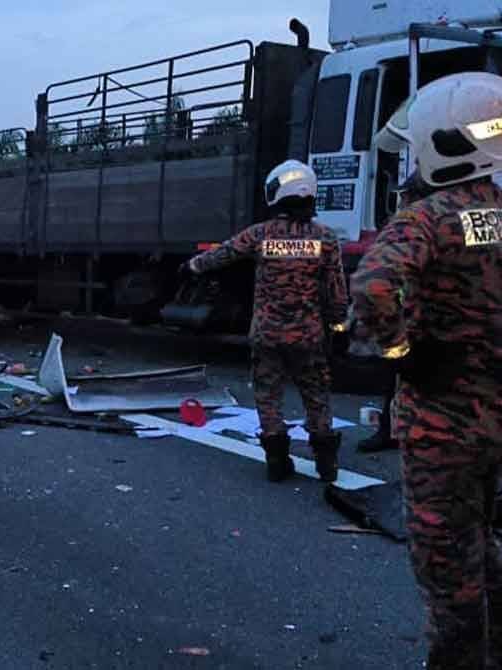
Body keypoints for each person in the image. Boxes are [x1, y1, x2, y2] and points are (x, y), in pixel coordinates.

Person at [351, 73, 502, 670]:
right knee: (484, 540)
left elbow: (375, 286)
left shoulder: (430, 217)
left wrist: (402, 354)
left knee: (445, 556)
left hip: (445, 422)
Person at [183, 160, 349, 482]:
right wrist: (339, 328)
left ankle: (276, 461)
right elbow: (337, 292)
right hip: (309, 337)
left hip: (267, 335)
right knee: (316, 396)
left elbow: (223, 254)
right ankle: (326, 463)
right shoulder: (326, 238)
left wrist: (192, 267)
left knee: (268, 396)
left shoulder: (261, 234)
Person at [356, 173, 434, 454]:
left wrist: (391, 338)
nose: (400, 201)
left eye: (403, 196)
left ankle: (392, 433)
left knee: (400, 380)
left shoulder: (416, 224)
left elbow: (373, 285)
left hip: (416, 325)